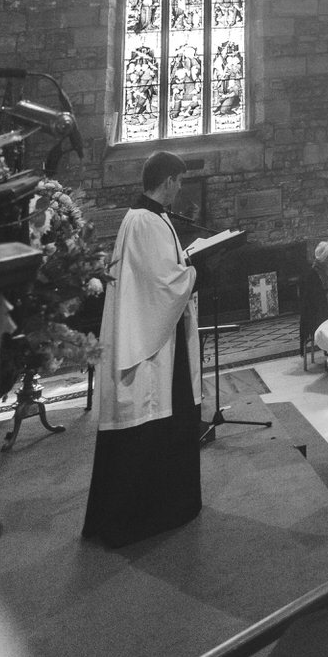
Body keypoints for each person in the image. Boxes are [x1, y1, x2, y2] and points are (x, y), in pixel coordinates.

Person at [83, 149, 202, 547]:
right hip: (148, 343)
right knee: (151, 415)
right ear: (167, 181)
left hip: (152, 331)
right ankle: (144, 516)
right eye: (180, 181)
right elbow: (165, 285)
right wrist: (196, 270)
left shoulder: (147, 218)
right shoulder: (146, 222)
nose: (181, 188)